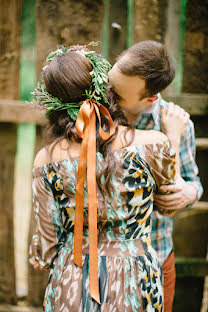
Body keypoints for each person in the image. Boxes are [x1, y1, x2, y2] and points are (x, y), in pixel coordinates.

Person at [29, 44, 188, 311]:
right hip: (137, 281)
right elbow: (167, 202)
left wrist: (39, 252)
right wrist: (173, 138)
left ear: (52, 103)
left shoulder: (46, 160)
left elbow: (46, 248)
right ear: (104, 87)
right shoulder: (155, 144)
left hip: (73, 278)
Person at [108, 40, 203, 311]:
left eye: (117, 93)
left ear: (150, 98)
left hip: (158, 255)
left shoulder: (177, 123)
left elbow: (192, 181)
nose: (107, 94)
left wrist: (189, 192)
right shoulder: (98, 115)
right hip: (106, 261)